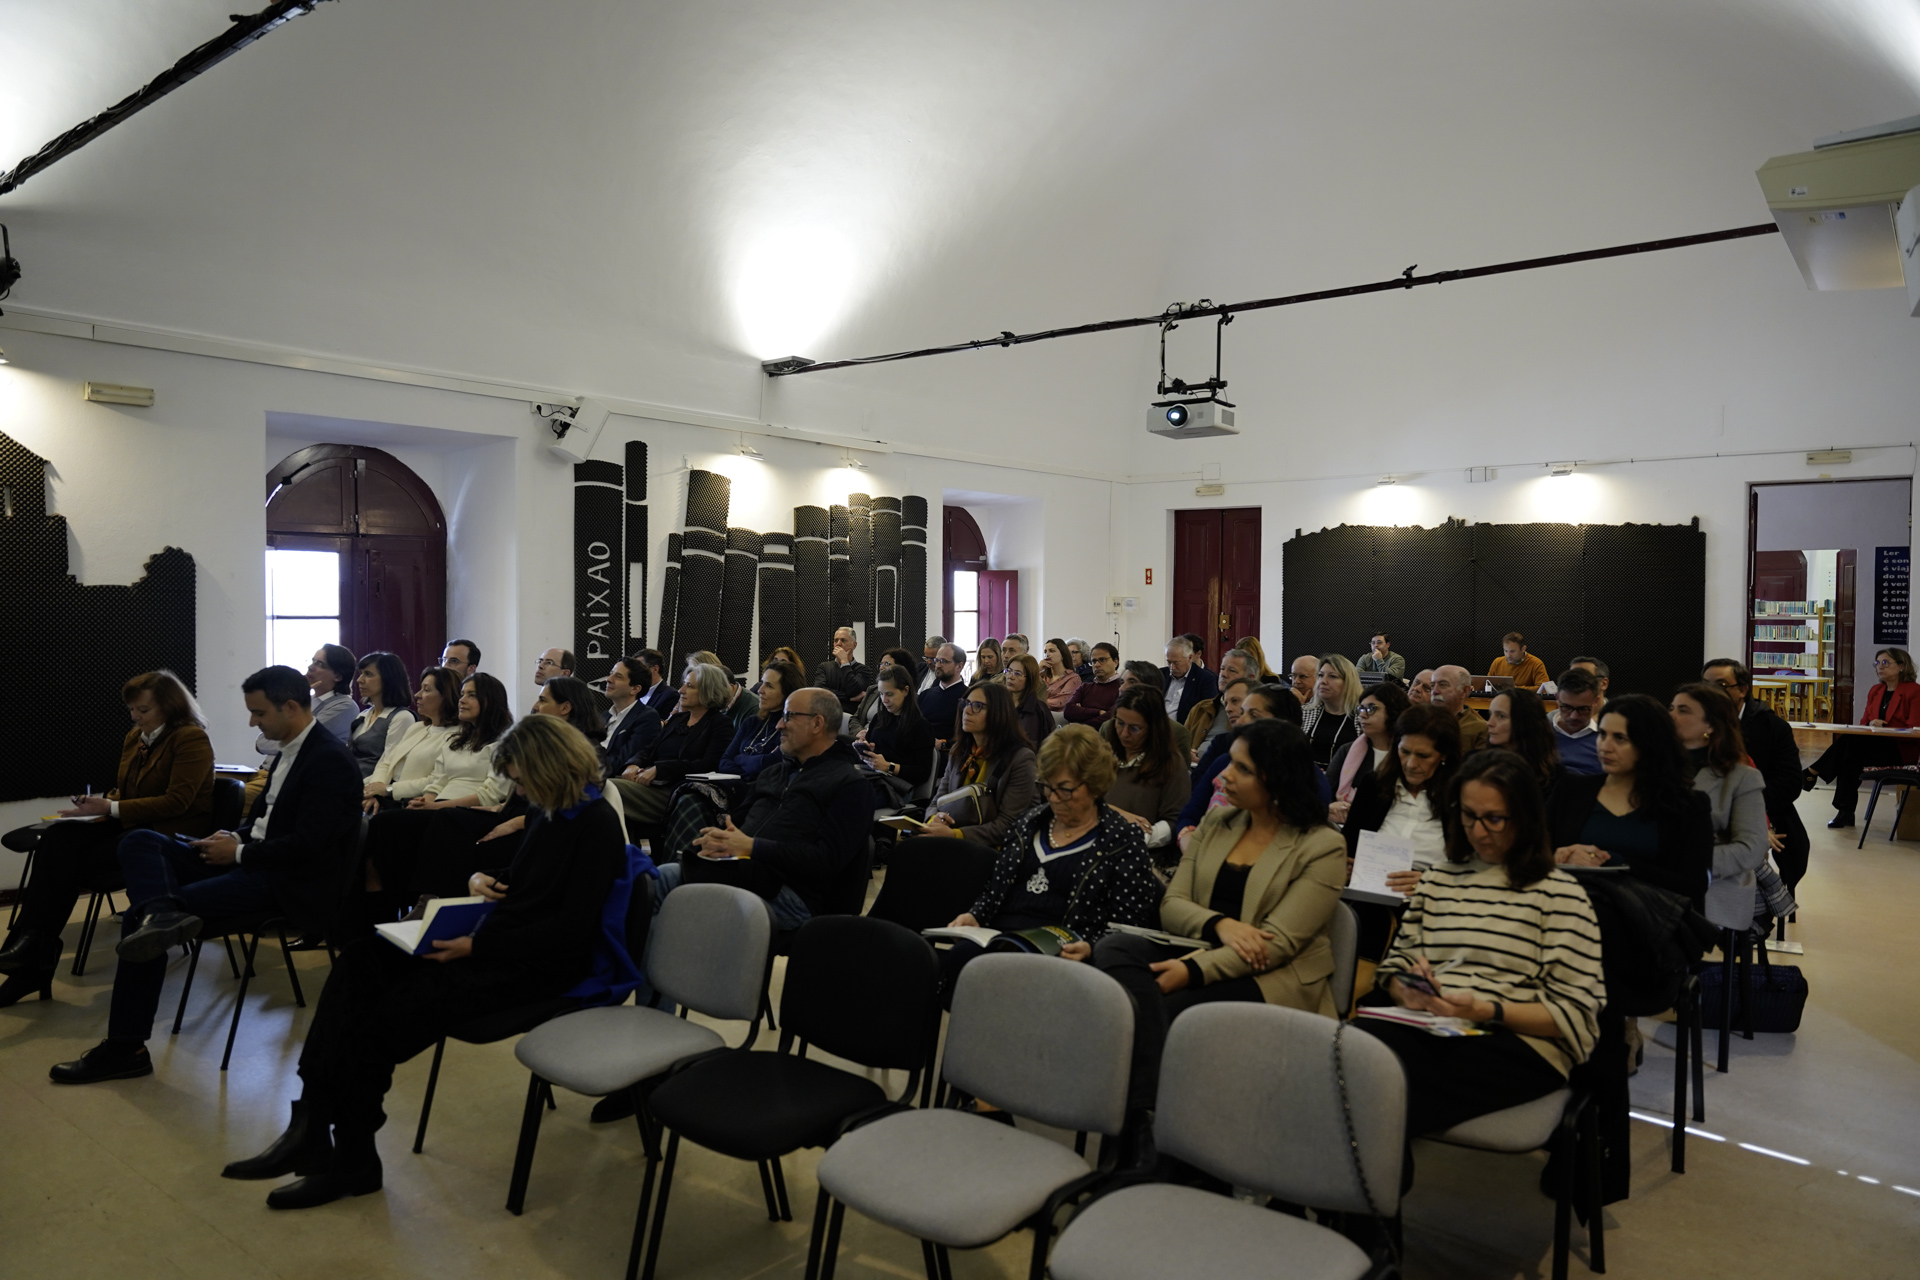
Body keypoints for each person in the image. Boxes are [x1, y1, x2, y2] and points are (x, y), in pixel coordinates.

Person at [221, 714, 626, 1208]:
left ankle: (351, 1158)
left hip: (538, 967)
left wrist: (476, 947)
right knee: (361, 961)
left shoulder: (595, 824)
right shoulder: (550, 811)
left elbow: (568, 932)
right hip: (497, 940)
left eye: (522, 781)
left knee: (382, 1016)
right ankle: (310, 1119)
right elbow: (527, 879)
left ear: (550, 770)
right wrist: (481, 879)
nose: (519, 791)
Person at [48, 666, 362, 1084]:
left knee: (139, 921)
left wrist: (240, 851)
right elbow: (265, 823)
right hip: (254, 859)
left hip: (284, 881)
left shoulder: (328, 761)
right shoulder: (291, 751)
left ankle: (126, 1048)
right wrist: (233, 836)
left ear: (290, 707)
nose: (252, 722)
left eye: (259, 713)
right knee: (140, 841)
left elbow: (309, 846)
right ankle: (162, 913)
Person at [1095, 719, 1347, 1140]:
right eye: (1230, 762)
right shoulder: (1218, 823)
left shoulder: (1322, 845)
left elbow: (1277, 945)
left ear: (1277, 778)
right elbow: (1173, 905)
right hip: (1199, 945)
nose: (1223, 775)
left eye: (1242, 769)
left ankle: (1143, 1130)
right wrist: (1220, 925)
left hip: (1271, 975)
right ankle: (1148, 1116)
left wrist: (1192, 971)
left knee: (1169, 1010)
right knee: (1114, 949)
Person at [1355, 751, 1604, 1148]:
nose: (1478, 831)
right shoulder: (1438, 880)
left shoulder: (1560, 895)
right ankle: (1357, 1173)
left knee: (1384, 1081)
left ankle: (1356, 1176)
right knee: (1350, 1046)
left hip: (1519, 1041)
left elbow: (1574, 1013)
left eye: (1494, 819)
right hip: (1437, 1025)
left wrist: (1486, 1010)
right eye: (1468, 816)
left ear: (1524, 817)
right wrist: (1409, 990)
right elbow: (1399, 964)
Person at [0, 671, 215, 1005]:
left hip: (167, 834)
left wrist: (112, 807)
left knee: (65, 863)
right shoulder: (135, 738)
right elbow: (126, 791)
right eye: (132, 710)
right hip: (133, 823)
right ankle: (31, 948)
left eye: (143, 710)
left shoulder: (191, 738)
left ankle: (31, 958)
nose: (135, 717)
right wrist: (95, 807)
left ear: (169, 706)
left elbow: (178, 802)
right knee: (59, 838)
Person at [940, 724, 1160, 990]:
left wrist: (1090, 946)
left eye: (1065, 789)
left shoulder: (1122, 841)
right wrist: (975, 915)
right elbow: (994, 890)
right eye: (1047, 786)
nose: (1053, 799)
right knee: (961, 958)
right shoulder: (1029, 823)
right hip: (1002, 938)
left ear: (1095, 785)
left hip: (1063, 951)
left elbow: (1128, 926)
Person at [669, 687, 876, 929]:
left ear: (817, 723)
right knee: (659, 878)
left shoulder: (850, 785)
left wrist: (753, 847)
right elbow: (737, 825)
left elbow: (825, 861)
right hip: (747, 874)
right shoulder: (773, 774)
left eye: (788, 716)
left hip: (795, 896)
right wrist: (720, 841)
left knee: (675, 895)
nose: (779, 725)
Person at [359, 673, 516, 914]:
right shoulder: (458, 739)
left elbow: (491, 794)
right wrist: (426, 801)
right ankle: (380, 905)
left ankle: (424, 900)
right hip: (441, 807)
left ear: (490, 700)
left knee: (430, 821)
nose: (462, 700)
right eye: (462, 694)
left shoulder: (503, 743)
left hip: (469, 811)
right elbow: (437, 781)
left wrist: (436, 806)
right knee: (385, 824)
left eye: (471, 695)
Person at [1547, 693, 1712, 905]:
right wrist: (1557, 857)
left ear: (1648, 744)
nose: (1605, 746)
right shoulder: (1571, 789)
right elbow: (1534, 853)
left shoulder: (1688, 804)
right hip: (1571, 913)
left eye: (1620, 738)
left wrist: (1613, 861)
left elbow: (1694, 886)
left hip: (1649, 919)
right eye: (1603, 734)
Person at [1670, 683, 1770, 933]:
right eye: (1671, 708)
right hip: (1651, 877)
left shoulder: (1741, 777)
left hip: (1714, 883)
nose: (1671, 716)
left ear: (1711, 726)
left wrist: (1688, 864)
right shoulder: (1651, 767)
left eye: (1683, 710)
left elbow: (1752, 848)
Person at [1702, 657, 1810, 889]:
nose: (1710, 693)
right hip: (1707, 808)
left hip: (1765, 803)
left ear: (1742, 690)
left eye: (1720, 686)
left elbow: (1790, 783)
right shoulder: (1694, 724)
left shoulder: (1772, 727)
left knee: (1788, 851)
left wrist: (1748, 813)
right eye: (1705, 685)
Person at [1339, 703, 1462, 891]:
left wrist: (1431, 880)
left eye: (1423, 756)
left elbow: (1473, 866)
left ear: (1444, 755)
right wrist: (1345, 866)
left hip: (1434, 894)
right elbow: (1347, 846)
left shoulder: (1460, 795)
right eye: (1404, 751)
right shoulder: (1374, 785)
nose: (1411, 764)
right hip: (1369, 889)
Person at [1804, 646, 1920, 829]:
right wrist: (1871, 723)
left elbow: (1915, 729)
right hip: (1873, 747)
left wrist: (1886, 728)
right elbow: (1864, 723)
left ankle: (1813, 773)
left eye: (1885, 662)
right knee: (1850, 755)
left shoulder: (1914, 691)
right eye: (1877, 663)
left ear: (1902, 666)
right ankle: (1845, 811)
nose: (1880, 667)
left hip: (1901, 751)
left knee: (1851, 746)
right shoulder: (1876, 690)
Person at [1174, 682, 1302, 847]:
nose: (1240, 721)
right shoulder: (1224, 761)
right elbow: (1190, 813)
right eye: (1242, 713)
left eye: (1253, 715)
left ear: (1282, 722)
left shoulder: (1304, 775)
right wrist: (1190, 843)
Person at [610, 662, 736, 823]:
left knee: (606, 789)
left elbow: (709, 765)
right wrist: (633, 764)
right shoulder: (678, 719)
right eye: (684, 684)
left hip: (677, 789)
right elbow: (649, 749)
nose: (680, 690)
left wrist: (660, 769)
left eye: (689, 686)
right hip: (650, 782)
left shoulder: (720, 724)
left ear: (708, 691)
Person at [920, 682, 1039, 849]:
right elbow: (936, 802)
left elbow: (1008, 825)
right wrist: (935, 820)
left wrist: (955, 835)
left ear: (999, 713)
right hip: (954, 838)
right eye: (965, 703)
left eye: (977, 706)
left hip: (992, 848)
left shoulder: (1020, 758)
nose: (967, 710)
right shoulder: (959, 751)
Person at [1103, 686, 1192, 860]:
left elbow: (1175, 822)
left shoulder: (1171, 764)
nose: (1124, 734)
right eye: (1120, 723)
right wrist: (1114, 814)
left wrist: (1131, 835)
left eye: (1135, 728)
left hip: (1141, 856)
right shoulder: (1105, 754)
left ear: (1153, 728)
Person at [362, 667, 460, 814]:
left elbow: (436, 780)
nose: (417, 695)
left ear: (446, 696)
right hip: (384, 794)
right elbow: (386, 762)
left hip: (409, 801)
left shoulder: (457, 736)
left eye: (426, 690)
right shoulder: (417, 728)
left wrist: (389, 790)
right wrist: (375, 792)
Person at [1329, 681, 1411, 820]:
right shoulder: (1347, 751)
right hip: (1346, 821)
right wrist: (1332, 807)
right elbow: (1326, 793)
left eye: (1371, 708)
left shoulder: (1409, 754)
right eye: (1360, 709)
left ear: (1393, 711)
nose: (1363, 715)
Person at [856, 663, 937, 801]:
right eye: (881, 694)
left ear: (905, 691)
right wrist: (865, 752)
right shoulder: (879, 718)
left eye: (890, 694)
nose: (884, 700)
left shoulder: (920, 726)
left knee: (851, 799)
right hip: (874, 777)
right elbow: (874, 752)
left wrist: (889, 766)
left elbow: (922, 773)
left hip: (898, 787)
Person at [720, 659, 804, 781]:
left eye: (769, 686)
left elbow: (770, 766)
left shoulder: (791, 728)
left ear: (787, 692)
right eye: (762, 683)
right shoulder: (751, 722)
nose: (760, 690)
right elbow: (724, 763)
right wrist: (753, 770)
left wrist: (740, 758)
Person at [344, 652, 416, 779]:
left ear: (388, 679)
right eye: (361, 673)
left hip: (370, 785)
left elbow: (389, 764)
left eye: (368, 674)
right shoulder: (364, 715)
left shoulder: (402, 717)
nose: (359, 680)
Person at [1485, 686, 1563, 798]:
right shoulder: (1479, 765)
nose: (1489, 723)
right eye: (1490, 714)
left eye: (1501, 716)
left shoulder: (1555, 778)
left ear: (1525, 722)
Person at [1181, 647, 1260, 756]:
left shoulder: (1256, 713)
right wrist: (1187, 754)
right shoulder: (1201, 708)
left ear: (1250, 678)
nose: (1223, 674)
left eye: (1232, 670)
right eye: (1222, 668)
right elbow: (1181, 745)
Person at [602, 654, 665, 779]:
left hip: (609, 779)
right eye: (611, 674)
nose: (608, 679)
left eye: (618, 677)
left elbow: (622, 763)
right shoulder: (604, 715)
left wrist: (585, 766)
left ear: (635, 689)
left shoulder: (647, 717)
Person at [1300, 653, 1362, 770]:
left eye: (1332, 676)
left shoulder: (1362, 716)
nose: (1323, 681)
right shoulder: (1304, 712)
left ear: (1348, 683)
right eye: (1320, 675)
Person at [1548, 665, 1604, 776]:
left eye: (1583, 709)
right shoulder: (1540, 733)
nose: (1574, 716)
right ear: (1557, 698)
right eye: (1566, 707)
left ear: (1596, 701)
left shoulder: (1604, 739)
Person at [813, 626, 872, 716]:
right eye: (836, 640)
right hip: (826, 715)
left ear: (854, 645)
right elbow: (819, 692)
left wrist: (844, 662)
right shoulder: (824, 667)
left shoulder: (864, 670)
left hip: (851, 717)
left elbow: (853, 690)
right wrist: (849, 699)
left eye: (843, 640)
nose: (838, 644)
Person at [536, 677, 606, 752]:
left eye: (542, 700)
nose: (535, 707)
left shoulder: (583, 752)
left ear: (565, 708)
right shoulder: (547, 742)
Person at [920, 643, 969, 748]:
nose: (937, 665)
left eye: (943, 661)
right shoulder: (925, 695)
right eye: (937, 660)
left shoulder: (968, 697)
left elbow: (971, 736)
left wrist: (945, 744)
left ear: (959, 666)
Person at [1430, 664, 1490, 752]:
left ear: (1465, 691)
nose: (1434, 691)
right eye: (1432, 686)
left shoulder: (1480, 728)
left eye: (1443, 685)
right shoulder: (1421, 719)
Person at [1159, 636, 1219, 723]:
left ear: (1190, 658)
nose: (1172, 667)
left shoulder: (1205, 679)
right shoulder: (1160, 674)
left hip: (1184, 728)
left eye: (1176, 663)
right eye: (1169, 662)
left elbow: (1208, 712)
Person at [1063, 642, 1123, 728]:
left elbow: (1109, 718)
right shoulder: (1085, 687)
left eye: (1102, 660)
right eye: (1094, 661)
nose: (1097, 665)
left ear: (1115, 662)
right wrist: (1098, 712)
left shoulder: (1122, 688)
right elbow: (1068, 711)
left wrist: (1080, 720)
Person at [1003, 652, 1054, 751]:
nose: (1010, 676)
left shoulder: (1035, 709)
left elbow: (1029, 745)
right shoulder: (1002, 703)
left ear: (1030, 679)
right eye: (1009, 671)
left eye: (1017, 673)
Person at [1040, 637, 1082, 711]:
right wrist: (1037, 669)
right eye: (1045, 652)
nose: (1047, 654)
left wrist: (1033, 703)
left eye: (1052, 651)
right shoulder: (1041, 675)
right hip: (1038, 712)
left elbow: (1060, 701)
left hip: (1057, 714)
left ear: (1062, 655)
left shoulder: (1073, 678)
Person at [637, 649, 680, 717]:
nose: (634, 673)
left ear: (655, 669)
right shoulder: (634, 692)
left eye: (639, 668)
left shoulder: (671, 695)